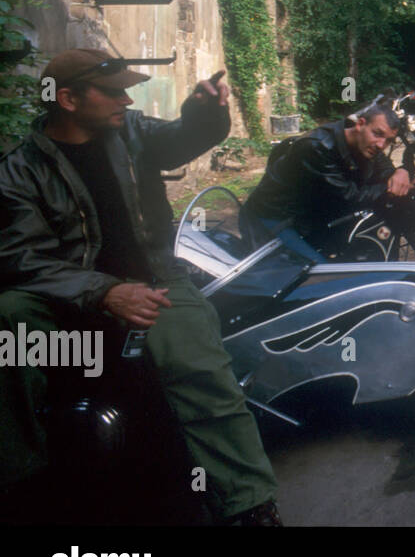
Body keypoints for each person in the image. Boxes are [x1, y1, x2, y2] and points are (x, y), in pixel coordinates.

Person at [0, 49, 281, 524]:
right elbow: (20, 257)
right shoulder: (19, 170)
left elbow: (180, 139)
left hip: (153, 278)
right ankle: (23, 480)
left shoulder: (133, 132)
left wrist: (205, 112)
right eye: (112, 91)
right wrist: (102, 290)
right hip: (67, 291)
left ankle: (249, 502)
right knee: (8, 319)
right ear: (67, 99)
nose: (126, 99)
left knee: (200, 369)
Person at [242, 103, 415, 261]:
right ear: (360, 124)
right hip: (273, 217)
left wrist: (401, 171)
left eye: (388, 140)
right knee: (324, 275)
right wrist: (400, 187)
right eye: (377, 133)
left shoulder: (364, 142)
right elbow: (350, 196)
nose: (381, 145)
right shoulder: (318, 147)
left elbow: (383, 166)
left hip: (310, 214)